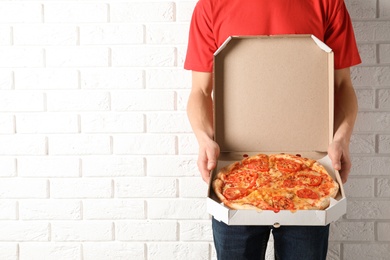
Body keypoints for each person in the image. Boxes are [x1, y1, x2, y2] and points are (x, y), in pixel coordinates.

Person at [184, 0, 361, 259]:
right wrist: (204, 139)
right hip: (236, 171)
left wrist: (342, 139)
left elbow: (343, 85)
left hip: (309, 167)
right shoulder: (210, 5)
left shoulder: (328, 3)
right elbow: (199, 91)